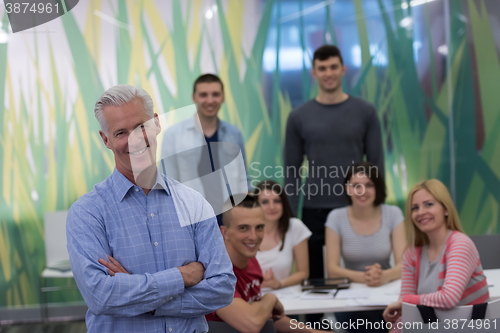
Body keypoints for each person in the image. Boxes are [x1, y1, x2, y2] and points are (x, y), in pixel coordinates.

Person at [66, 85, 236, 333]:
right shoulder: (87, 213)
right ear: (106, 140)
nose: (134, 140)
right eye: (121, 132)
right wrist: (181, 276)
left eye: (140, 127)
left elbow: (222, 289)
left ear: (156, 124)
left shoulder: (194, 203)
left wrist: (141, 299)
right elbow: (101, 296)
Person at [284, 45, 384, 282]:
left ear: (343, 69)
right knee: (317, 281)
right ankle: (315, 322)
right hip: (314, 210)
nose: (328, 73)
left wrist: (377, 205)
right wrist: (289, 218)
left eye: (333, 67)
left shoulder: (365, 112)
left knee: (362, 277)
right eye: (322, 68)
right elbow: (291, 171)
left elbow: (376, 164)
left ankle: (362, 321)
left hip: (357, 207)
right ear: (314, 73)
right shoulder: (298, 117)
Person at [206, 195, 326, 333]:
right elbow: (252, 323)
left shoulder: (251, 260)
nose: (253, 236)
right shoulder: (214, 273)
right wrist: (271, 298)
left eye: (259, 227)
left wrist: (313, 332)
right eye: (243, 228)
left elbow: (267, 317)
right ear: (224, 232)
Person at [383, 179, 489, 332]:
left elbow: (449, 298)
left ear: (446, 209)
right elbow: (405, 311)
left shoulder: (460, 244)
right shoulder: (411, 254)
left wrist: (406, 301)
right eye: (415, 208)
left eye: (429, 204)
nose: (421, 212)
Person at [325, 161, 405, 332]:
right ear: (348, 189)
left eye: (368, 185)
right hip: (350, 301)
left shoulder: (393, 214)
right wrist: (367, 278)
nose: (362, 191)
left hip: (386, 295)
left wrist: (383, 276)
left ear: (377, 188)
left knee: (392, 317)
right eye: (356, 186)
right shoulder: (335, 218)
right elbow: (332, 270)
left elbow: (404, 265)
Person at [162, 74, 249, 226]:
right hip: (193, 217)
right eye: (203, 95)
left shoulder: (234, 134)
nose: (210, 100)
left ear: (223, 97)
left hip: (231, 219)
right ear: (194, 97)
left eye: (215, 94)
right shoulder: (173, 135)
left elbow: (244, 180)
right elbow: (167, 183)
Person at [254, 180, 312, 289]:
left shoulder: (295, 226)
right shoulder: (246, 231)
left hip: (285, 295)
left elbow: (303, 273)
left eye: (277, 201)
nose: (272, 207)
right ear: (256, 205)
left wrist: (278, 284)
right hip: (251, 297)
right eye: (265, 202)